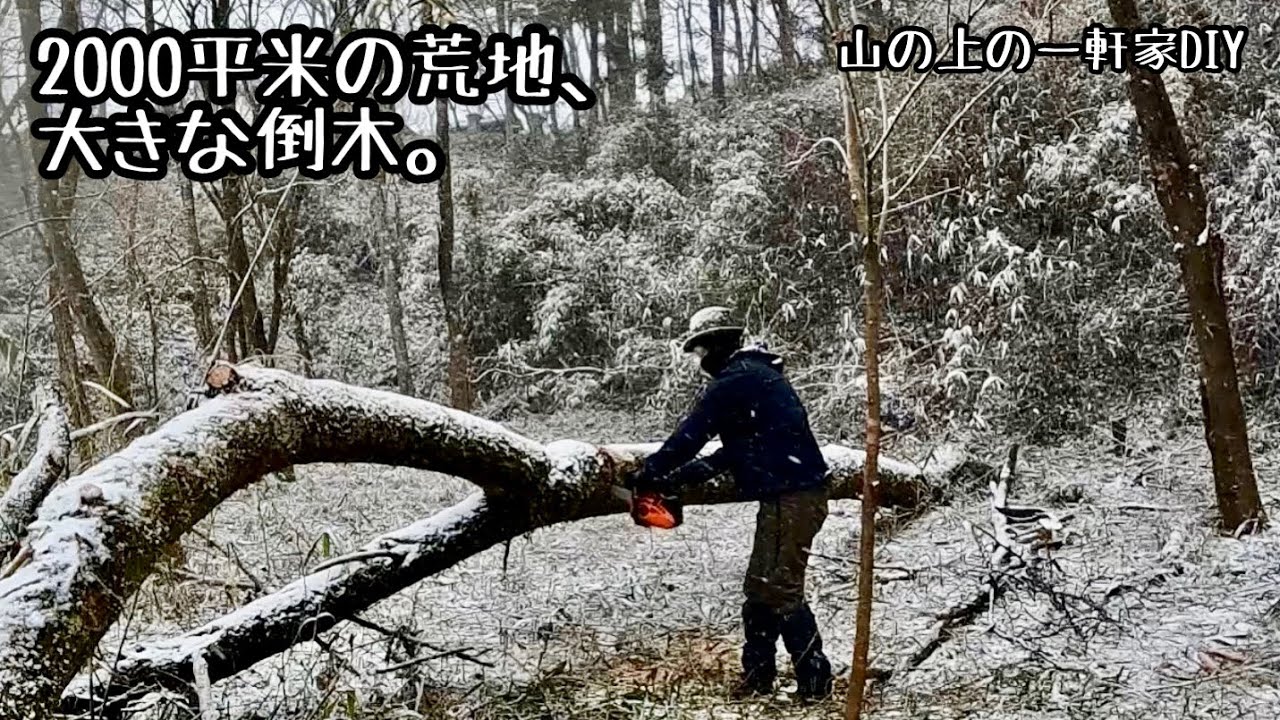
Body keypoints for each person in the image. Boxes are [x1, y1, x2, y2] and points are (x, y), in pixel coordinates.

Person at [627, 306, 834, 700]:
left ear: (718, 345)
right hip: (789, 494)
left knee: (781, 591)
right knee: (759, 589)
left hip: (793, 496)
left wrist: (650, 472)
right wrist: (693, 473)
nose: (703, 362)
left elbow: (692, 433)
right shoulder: (759, 377)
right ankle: (758, 677)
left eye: (704, 351)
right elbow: (747, 445)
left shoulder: (735, 381)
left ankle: (815, 684)